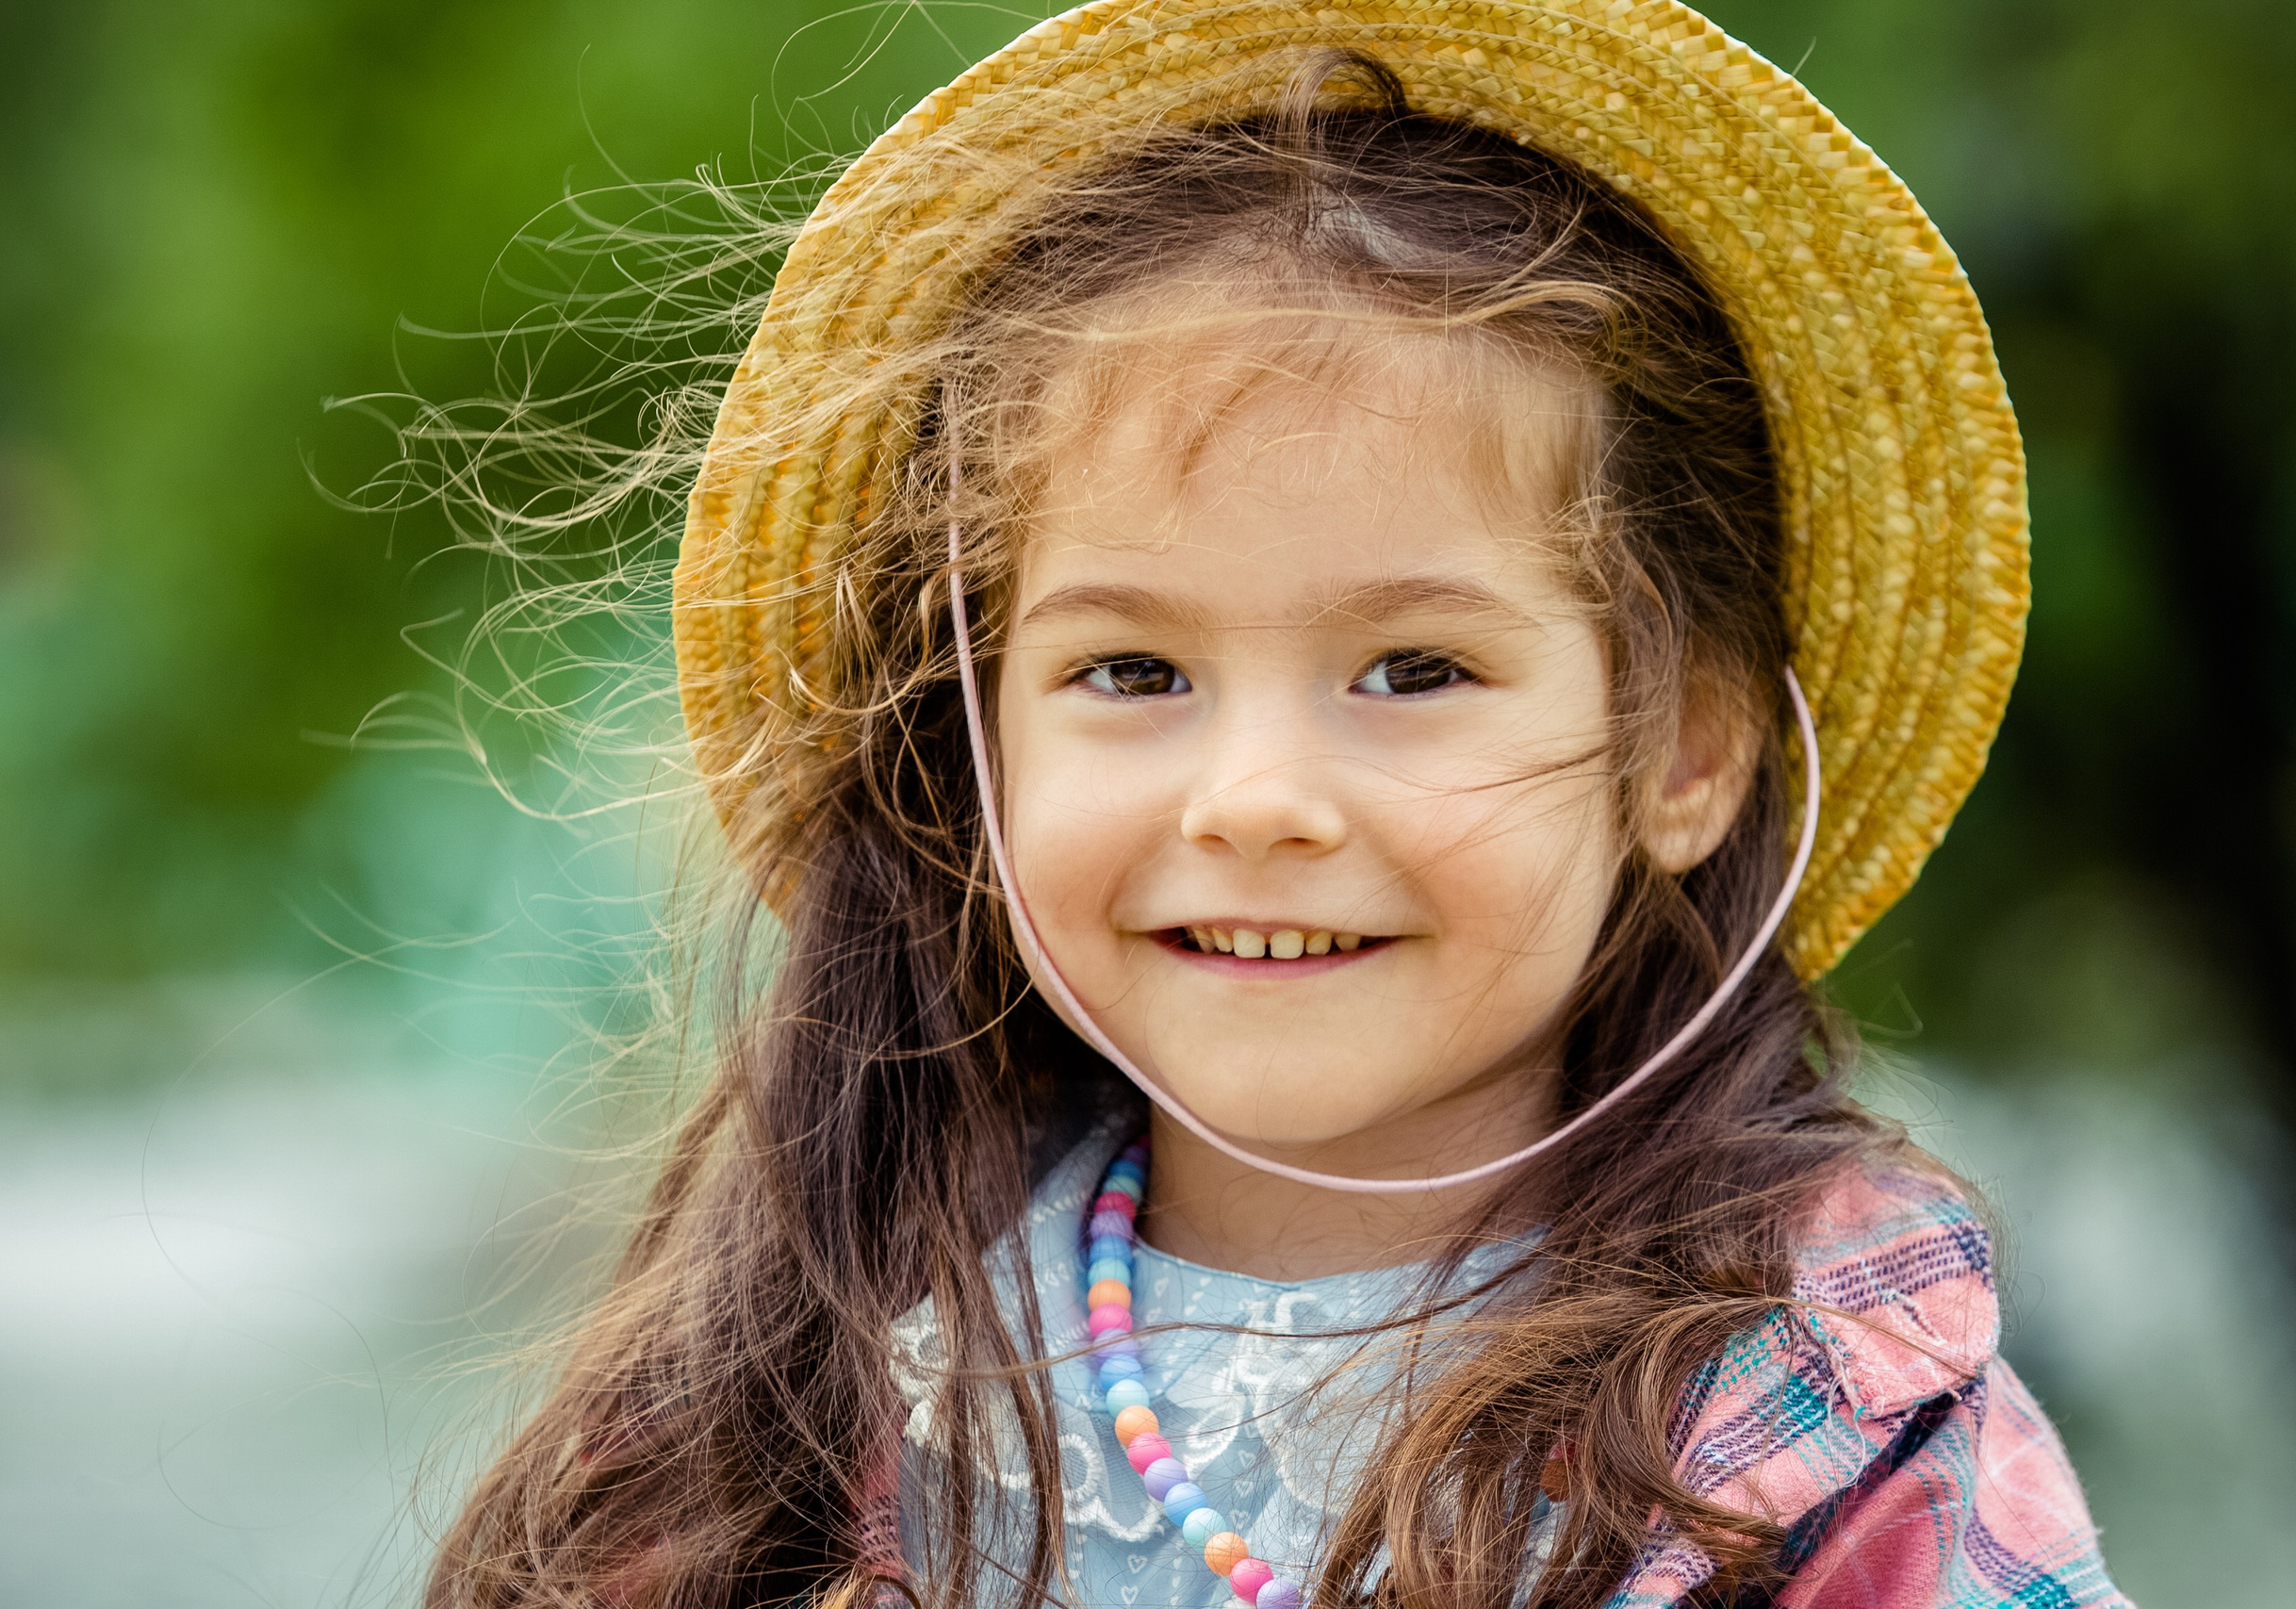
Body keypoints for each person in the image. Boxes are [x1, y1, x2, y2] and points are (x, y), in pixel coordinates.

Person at [426, 5, 2126, 1606]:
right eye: (1134, 675)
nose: (1256, 802)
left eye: (1413, 670)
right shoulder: (815, 1379)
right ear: (975, 749)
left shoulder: (1835, 1417)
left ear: (1680, 752)